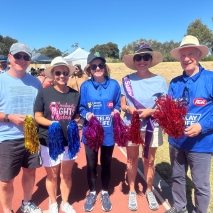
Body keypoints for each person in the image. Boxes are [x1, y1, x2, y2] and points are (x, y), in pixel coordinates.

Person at [165, 35, 213, 213]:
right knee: (177, 177)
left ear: (199, 54)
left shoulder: (210, 79)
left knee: (200, 183)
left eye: (190, 53)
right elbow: (169, 109)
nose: (186, 59)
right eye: (182, 55)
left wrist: (203, 126)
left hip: (200, 144)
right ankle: (179, 206)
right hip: (176, 142)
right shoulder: (175, 82)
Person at [121, 43, 167, 211]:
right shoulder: (126, 80)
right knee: (132, 159)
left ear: (150, 59)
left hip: (152, 126)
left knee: (150, 160)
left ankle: (149, 190)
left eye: (146, 57)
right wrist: (128, 109)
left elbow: (164, 107)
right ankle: (132, 190)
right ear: (134, 60)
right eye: (138, 58)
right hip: (131, 125)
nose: (142, 61)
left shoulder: (160, 81)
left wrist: (152, 111)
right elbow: (123, 103)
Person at [34, 56, 82, 213]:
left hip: (69, 141)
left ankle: (65, 202)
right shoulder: (44, 93)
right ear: (53, 75)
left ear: (68, 74)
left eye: (65, 73)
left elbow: (76, 116)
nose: (62, 76)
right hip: (49, 141)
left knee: (66, 175)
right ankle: (53, 203)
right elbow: (38, 116)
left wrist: (76, 122)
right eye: (58, 73)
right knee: (52, 176)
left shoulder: (75, 94)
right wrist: (52, 124)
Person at [0, 43, 42, 213]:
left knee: (30, 172)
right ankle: (8, 209)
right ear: (10, 57)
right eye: (18, 56)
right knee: (6, 181)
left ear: (30, 60)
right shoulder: (1, 80)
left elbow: (41, 108)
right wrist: (9, 117)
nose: (22, 60)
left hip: (31, 137)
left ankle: (27, 202)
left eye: (26, 57)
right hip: (8, 138)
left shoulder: (35, 82)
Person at [80, 52, 121, 212]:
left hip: (108, 133)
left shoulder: (114, 85)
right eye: (94, 66)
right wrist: (88, 114)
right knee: (91, 164)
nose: (98, 68)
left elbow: (118, 104)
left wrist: (116, 111)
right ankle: (92, 192)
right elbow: (81, 108)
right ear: (89, 69)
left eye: (101, 65)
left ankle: (104, 191)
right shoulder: (85, 86)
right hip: (90, 133)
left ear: (105, 67)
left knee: (106, 163)